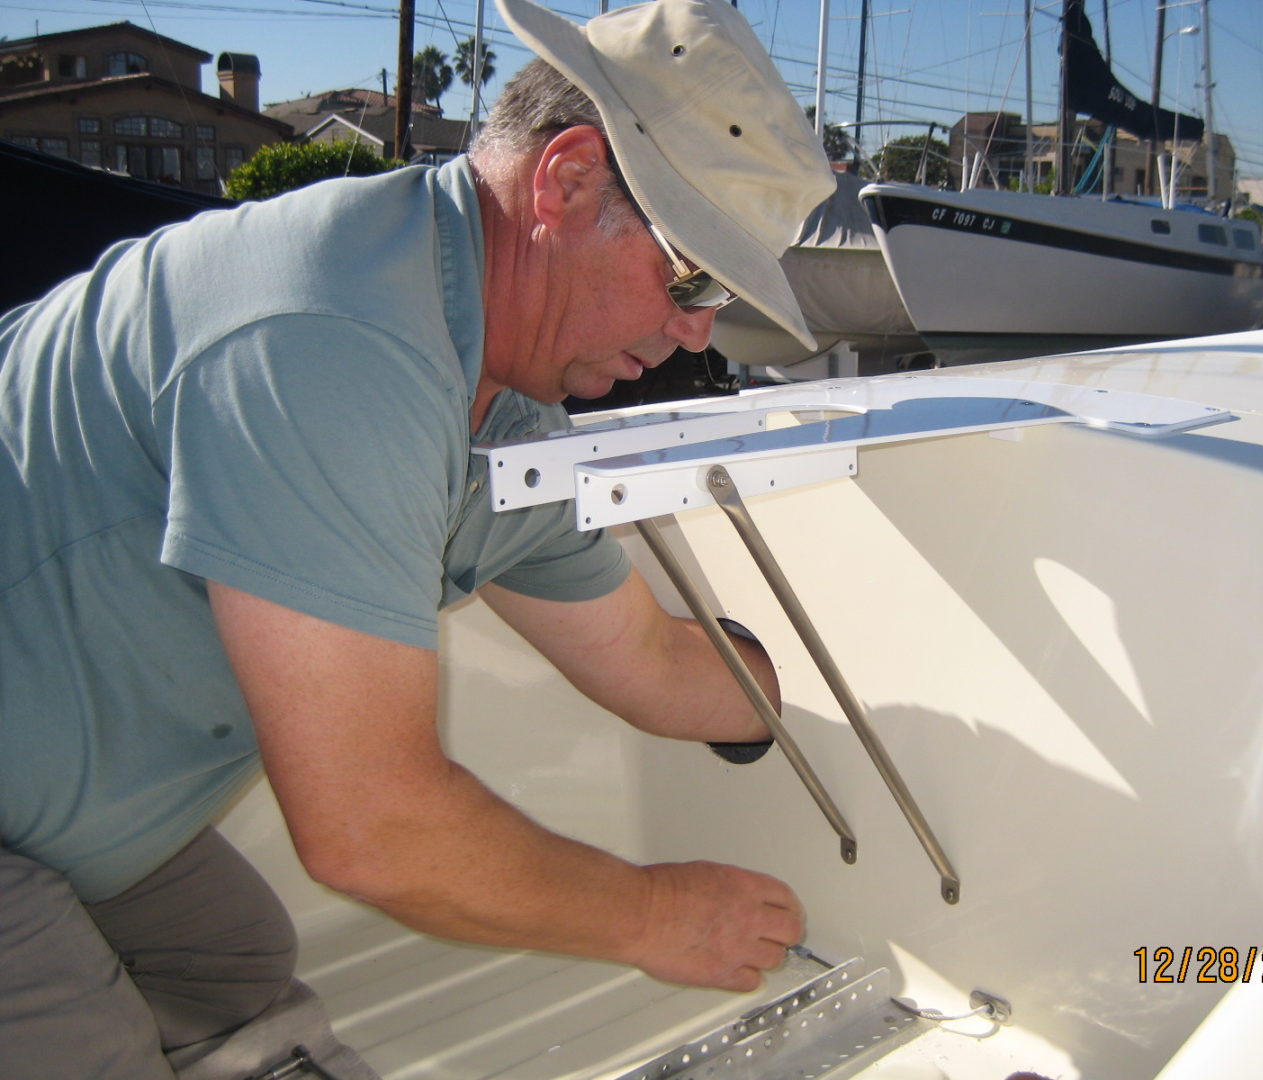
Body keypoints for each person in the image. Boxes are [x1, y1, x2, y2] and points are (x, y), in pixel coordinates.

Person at [0, 0, 837, 1075]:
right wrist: (656, 915)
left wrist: (846, 698)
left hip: (57, 795)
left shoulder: (500, 402)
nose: (695, 330)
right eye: (693, 277)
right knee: (91, 1046)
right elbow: (372, 832)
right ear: (568, 178)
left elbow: (649, 659)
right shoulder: (331, 339)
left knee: (235, 971)